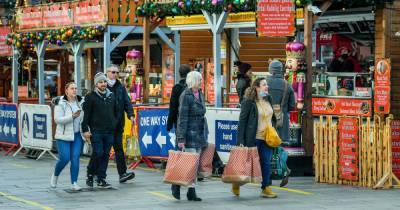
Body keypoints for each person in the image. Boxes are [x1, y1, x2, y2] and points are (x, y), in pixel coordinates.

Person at [235, 77, 277, 198]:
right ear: (257, 88)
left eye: (266, 85)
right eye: (264, 85)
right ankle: (236, 183)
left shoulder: (269, 99)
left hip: (267, 138)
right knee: (247, 165)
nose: (267, 87)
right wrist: (240, 141)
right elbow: (242, 122)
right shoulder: (249, 101)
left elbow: (272, 117)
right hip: (253, 138)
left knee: (266, 163)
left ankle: (266, 187)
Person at [172, 71, 208, 201]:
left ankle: (191, 190)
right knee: (190, 164)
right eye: (199, 79)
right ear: (193, 81)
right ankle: (177, 184)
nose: (201, 81)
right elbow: (182, 118)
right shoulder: (186, 95)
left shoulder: (200, 94)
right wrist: (181, 138)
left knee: (195, 164)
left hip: (199, 133)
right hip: (189, 134)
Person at [82, 72, 117, 189]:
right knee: (98, 152)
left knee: (106, 155)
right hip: (96, 130)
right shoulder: (90, 97)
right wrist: (85, 129)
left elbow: (115, 112)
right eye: (100, 82)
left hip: (109, 131)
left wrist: (114, 124)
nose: (103, 84)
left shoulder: (111, 96)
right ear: (96, 84)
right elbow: (86, 116)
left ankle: (101, 178)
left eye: (104, 81)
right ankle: (90, 174)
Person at [50, 82, 84, 191]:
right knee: (65, 158)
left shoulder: (81, 102)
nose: (74, 90)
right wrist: (72, 117)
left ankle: (74, 183)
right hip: (63, 136)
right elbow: (57, 120)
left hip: (77, 135)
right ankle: (55, 175)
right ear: (66, 91)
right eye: (72, 88)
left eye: (76, 88)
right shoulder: (60, 103)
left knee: (75, 158)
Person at [267, 60, 296, 187]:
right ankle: (283, 169)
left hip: (267, 121)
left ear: (271, 70)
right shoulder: (287, 85)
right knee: (279, 148)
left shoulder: (264, 83)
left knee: (267, 148)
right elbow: (292, 106)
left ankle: (270, 174)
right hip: (281, 122)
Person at [106, 65, 135, 183]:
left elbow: (127, 102)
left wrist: (131, 115)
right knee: (103, 151)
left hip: (118, 124)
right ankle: (97, 174)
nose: (115, 74)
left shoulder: (120, 87)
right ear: (107, 72)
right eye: (113, 72)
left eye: (117, 73)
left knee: (119, 149)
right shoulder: (102, 85)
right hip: (105, 125)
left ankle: (122, 174)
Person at [166, 64, 191, 132]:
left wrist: (169, 124)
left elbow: (173, 107)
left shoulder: (176, 88)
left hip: (179, 121)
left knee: (180, 141)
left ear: (179, 74)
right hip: (191, 122)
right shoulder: (192, 88)